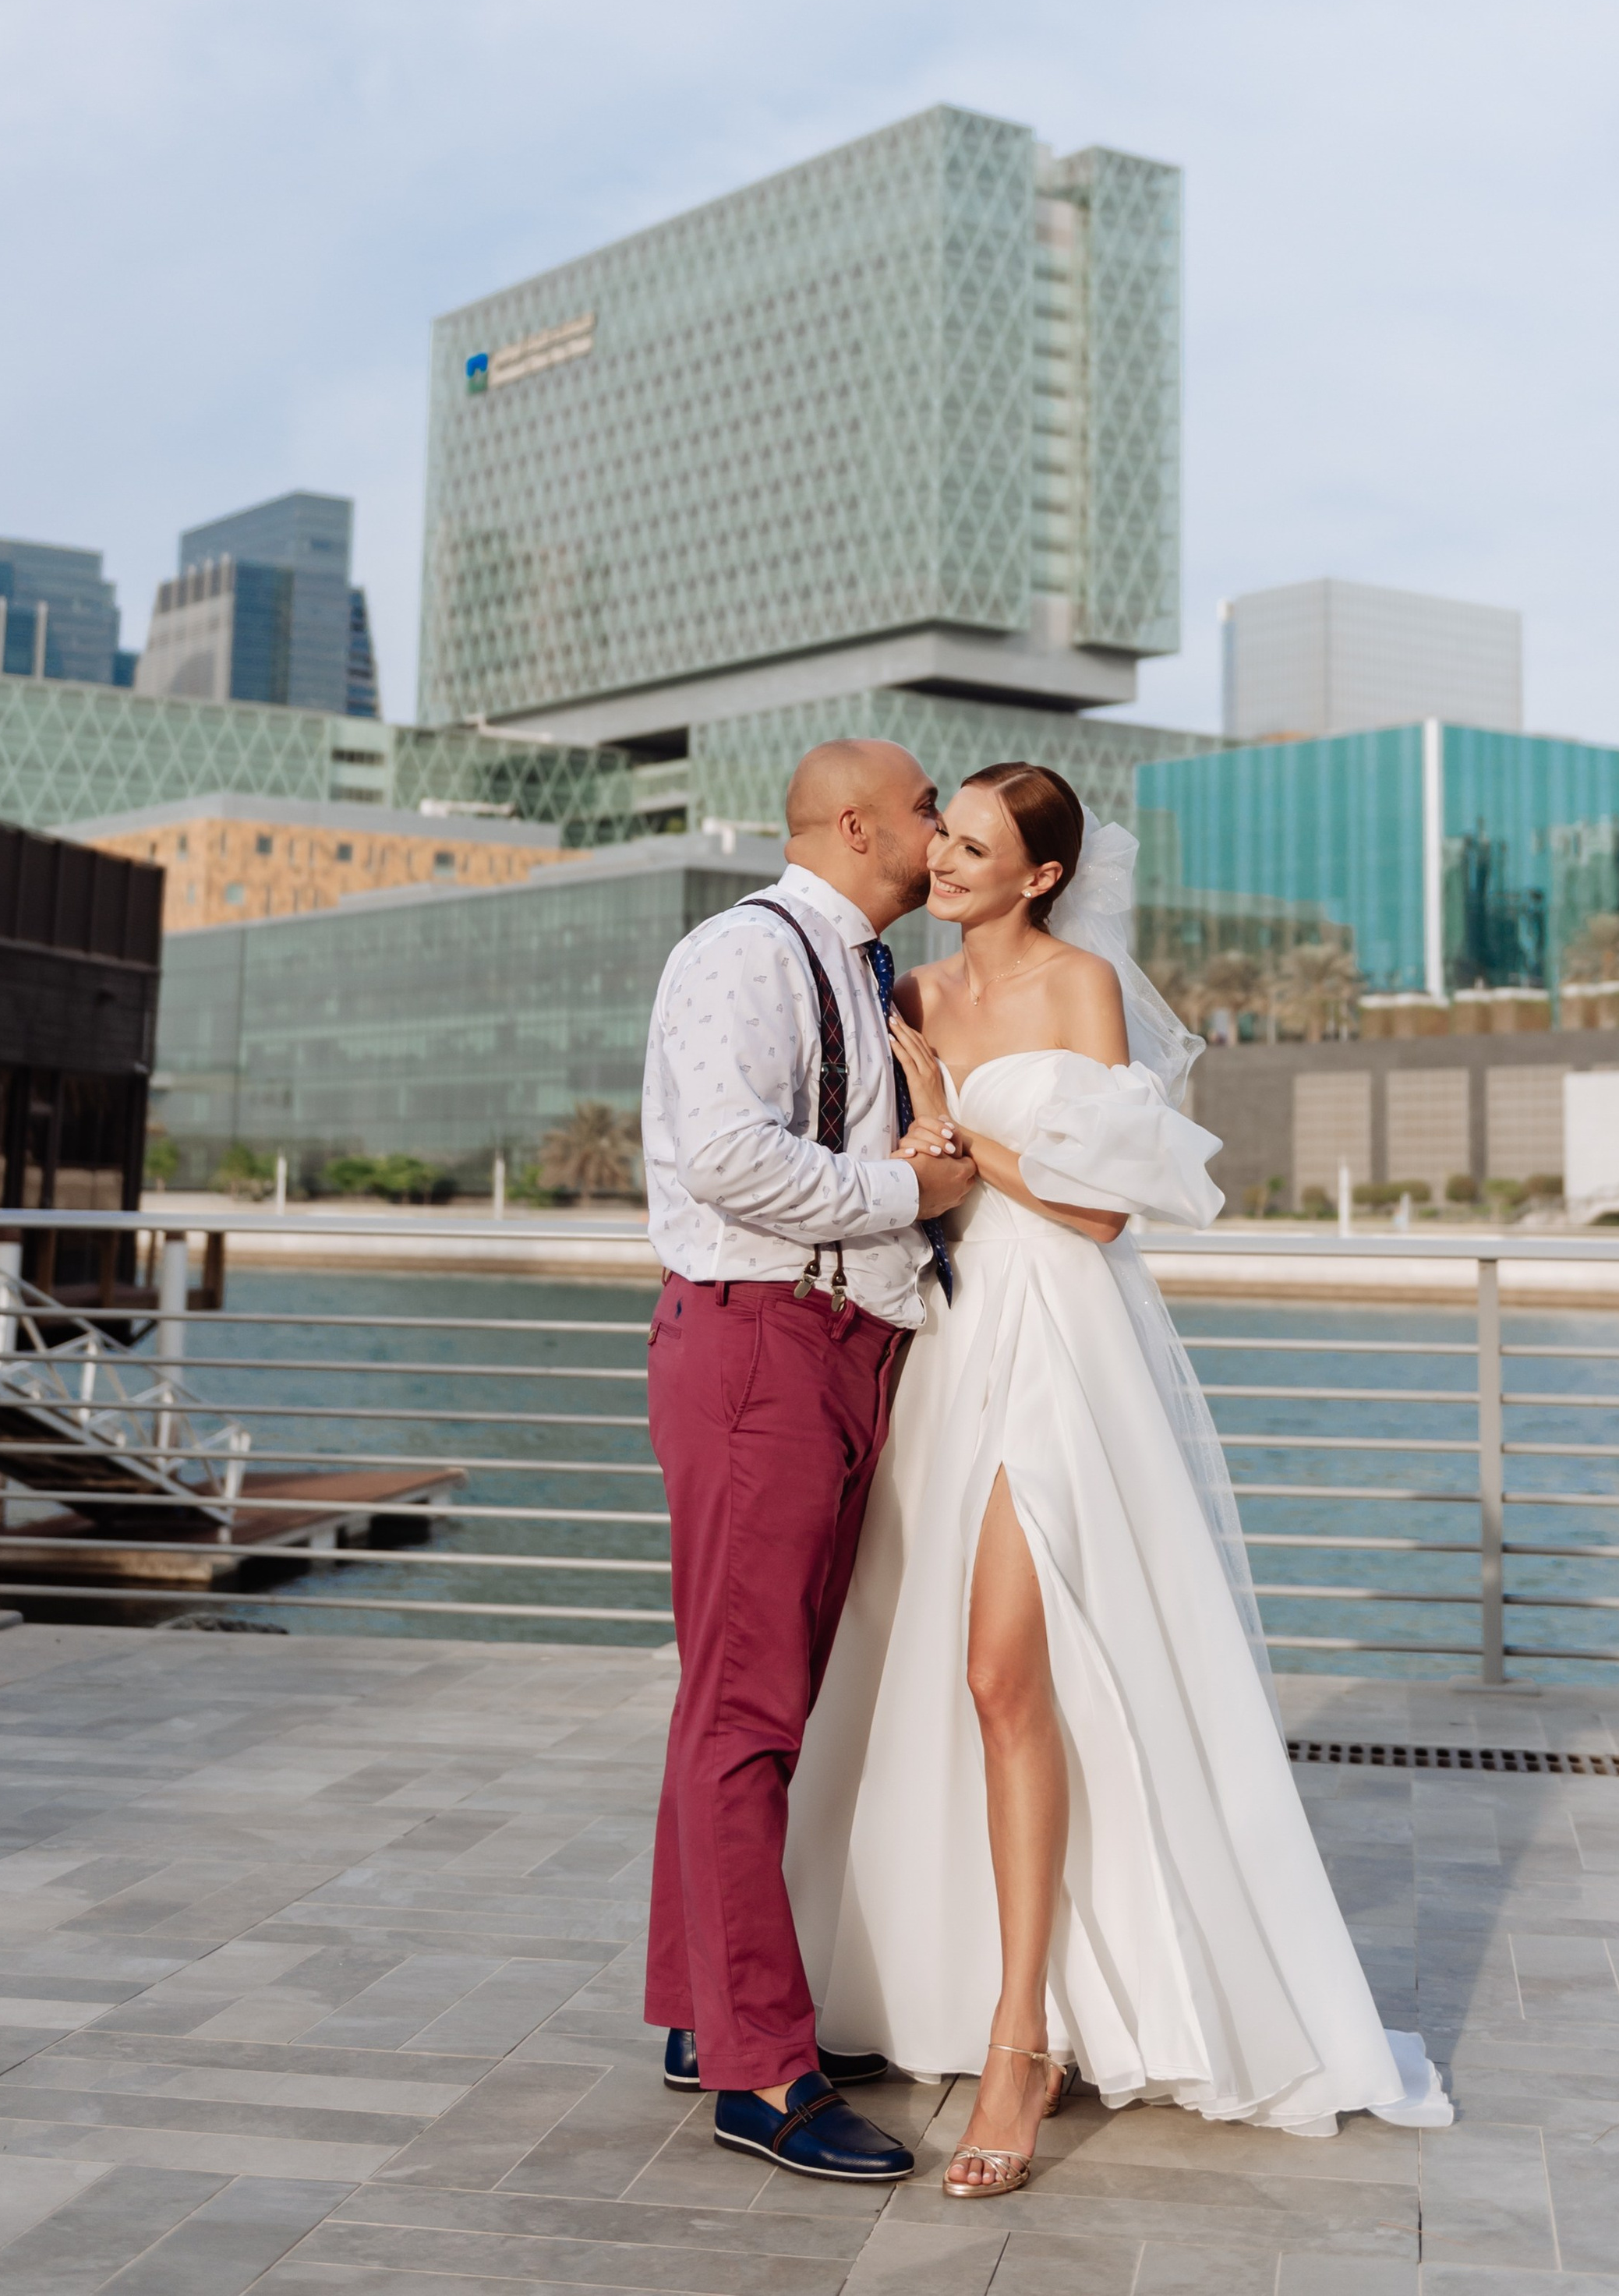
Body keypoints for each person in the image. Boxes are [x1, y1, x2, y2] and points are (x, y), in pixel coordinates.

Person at [783, 761, 1453, 2199]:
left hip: (1058, 1345)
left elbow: (1093, 1207)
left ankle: (1020, 2043)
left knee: (999, 1673)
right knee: (948, 1680)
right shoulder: (905, 995)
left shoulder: (1082, 986)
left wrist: (967, 1134)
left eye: (976, 848)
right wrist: (922, 1138)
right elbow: (901, 1175)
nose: (944, 862)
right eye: (941, 837)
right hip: (945, 1344)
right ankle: (958, 1981)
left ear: (1040, 877)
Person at [638, 736, 979, 2184]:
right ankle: (761, 2078)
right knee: (749, 1713)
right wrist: (908, 1189)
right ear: (855, 825)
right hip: (758, 1346)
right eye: (924, 810)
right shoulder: (744, 949)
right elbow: (722, 1152)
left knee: (742, 1692)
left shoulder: (867, 972)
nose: (943, 827)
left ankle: (697, 2014)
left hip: (835, 1347)